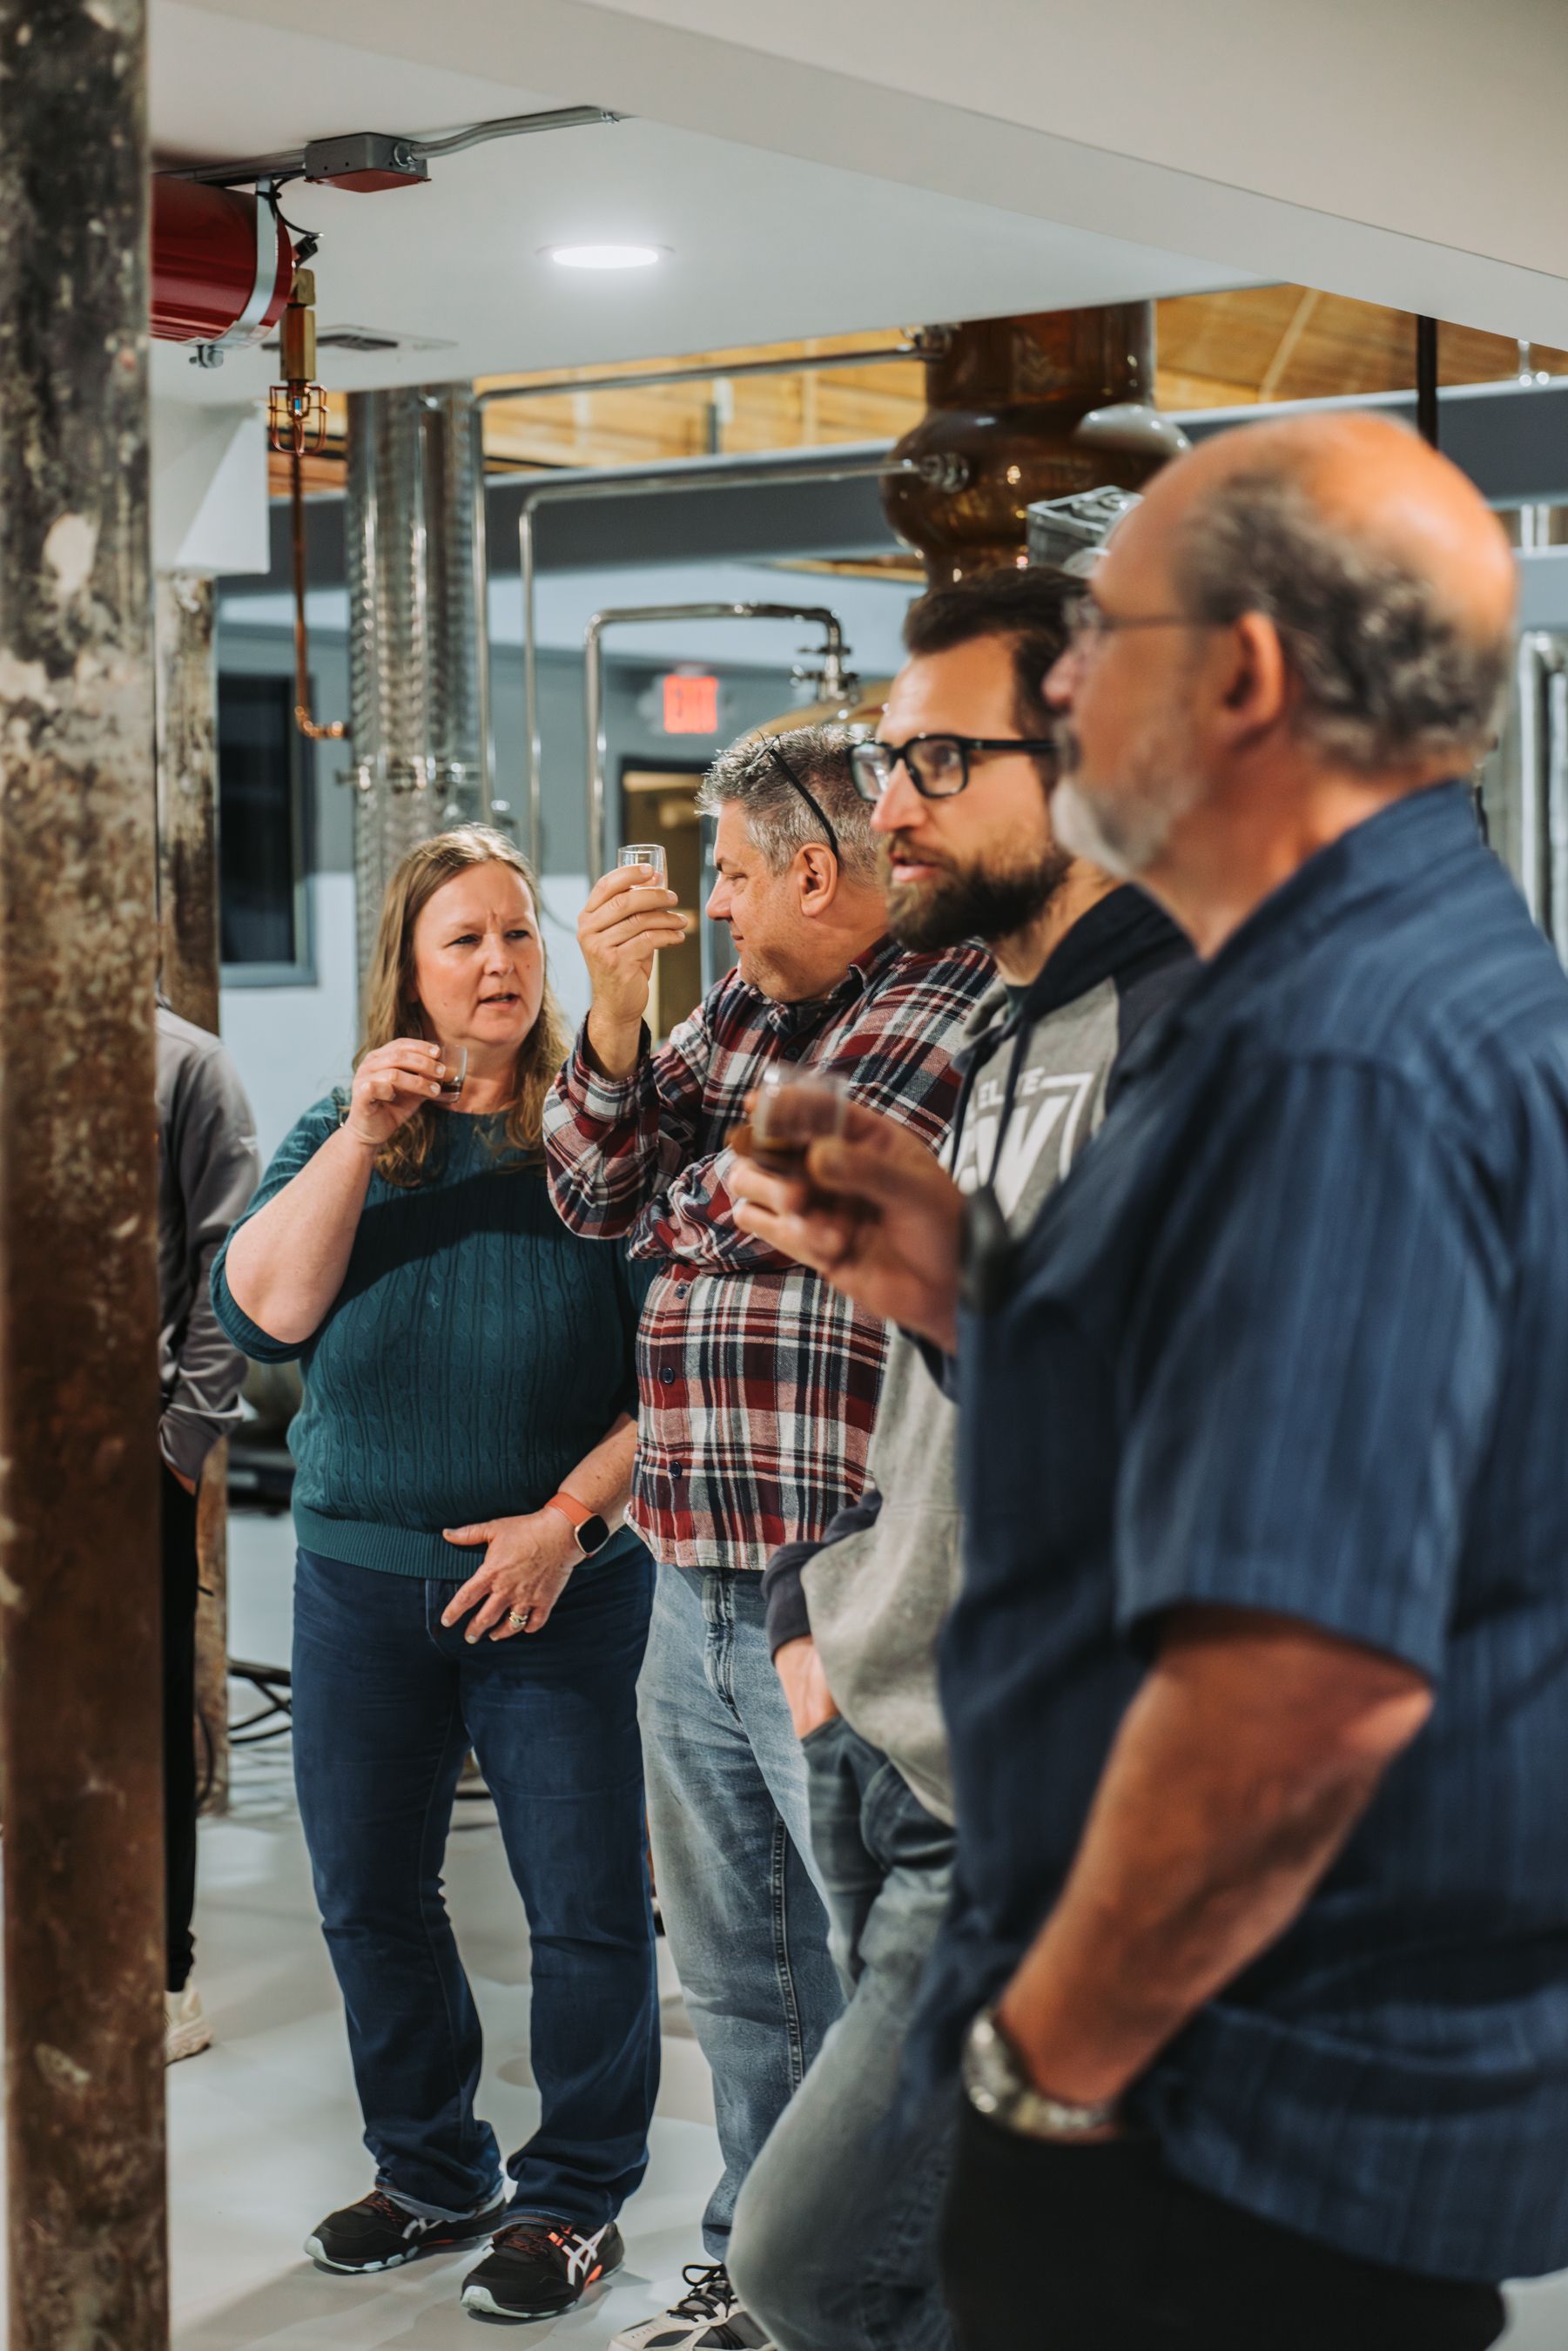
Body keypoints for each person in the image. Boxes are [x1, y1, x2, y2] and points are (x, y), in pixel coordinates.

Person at [729, 414, 1568, 2351]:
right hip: (1263, 2085)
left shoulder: (1337, 1056)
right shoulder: (1316, 991)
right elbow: (1208, 1444)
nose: (1070, 682)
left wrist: (1047, 2066)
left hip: (1225, 2116)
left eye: (1102, 634)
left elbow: (1302, 1687)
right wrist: (962, 1282)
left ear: (1249, 677)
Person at [723, 569, 1192, 2351]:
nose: (890, 802)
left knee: (806, 2259)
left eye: (935, 757)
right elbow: (936, 1389)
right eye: (884, 755)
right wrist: (816, 1586)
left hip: (1039, 1810)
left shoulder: (1200, 1042)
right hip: (889, 1727)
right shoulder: (1008, 1030)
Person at [542, 726, 992, 2351]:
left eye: (729, 875)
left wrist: (716, 1187)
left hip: (846, 1576)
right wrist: (607, 1023)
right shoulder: (739, 1007)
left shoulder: (953, 1004)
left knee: (887, 1978)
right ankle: (751, 2272)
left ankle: (901, 2299)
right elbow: (602, 1195)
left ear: (815, 869)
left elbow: (781, 1208)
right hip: (688, 1560)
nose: (715, 910)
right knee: (739, 1976)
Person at [212, 827, 658, 2328]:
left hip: (555, 1589)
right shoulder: (349, 1129)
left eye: (519, 937)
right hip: (356, 1586)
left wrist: (567, 1524)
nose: (501, 965)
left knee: (586, 1906)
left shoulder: (600, 1136)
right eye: (463, 939)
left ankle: (576, 2201)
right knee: (369, 1901)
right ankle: (430, 2170)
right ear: (407, 968)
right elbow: (264, 1319)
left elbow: (676, 1374)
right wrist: (353, 1132)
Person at [156, 998, 260, 2063]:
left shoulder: (186, 1066)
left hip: (125, 1462)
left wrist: (179, 1446)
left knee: (141, 1723)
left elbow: (225, 1264)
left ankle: (162, 1975)